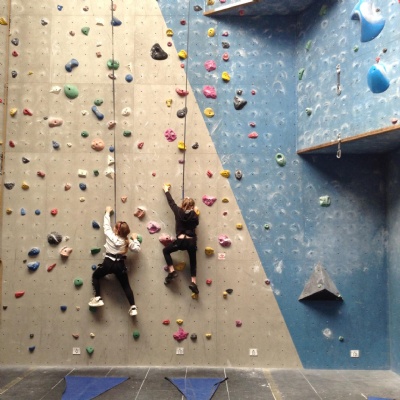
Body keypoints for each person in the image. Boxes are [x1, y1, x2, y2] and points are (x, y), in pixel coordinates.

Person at [89, 206, 141, 316]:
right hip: (120, 265)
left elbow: (106, 225)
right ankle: (133, 307)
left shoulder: (110, 236)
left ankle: (98, 298)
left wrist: (107, 212)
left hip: (108, 263)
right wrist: (135, 239)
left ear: (117, 231)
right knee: (126, 285)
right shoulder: (127, 241)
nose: (113, 228)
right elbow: (137, 249)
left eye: (115, 227)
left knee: (96, 276)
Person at [162, 184, 200, 294]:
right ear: (192, 206)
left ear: (182, 205)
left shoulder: (178, 211)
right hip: (191, 242)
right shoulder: (194, 215)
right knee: (193, 261)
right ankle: (193, 282)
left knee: (166, 251)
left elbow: (171, 202)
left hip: (180, 241)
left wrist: (166, 190)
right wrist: (195, 212)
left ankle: (172, 271)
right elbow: (196, 224)